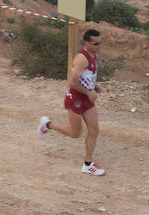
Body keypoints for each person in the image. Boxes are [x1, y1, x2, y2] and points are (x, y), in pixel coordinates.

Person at [38, 28, 106, 176]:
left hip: (86, 98)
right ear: (87, 43)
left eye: (101, 43)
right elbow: (72, 82)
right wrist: (89, 92)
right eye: (96, 44)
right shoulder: (82, 59)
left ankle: (88, 164)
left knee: (94, 130)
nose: (100, 46)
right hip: (75, 98)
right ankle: (48, 124)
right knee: (75, 133)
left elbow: (88, 76)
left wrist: (95, 86)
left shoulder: (94, 55)